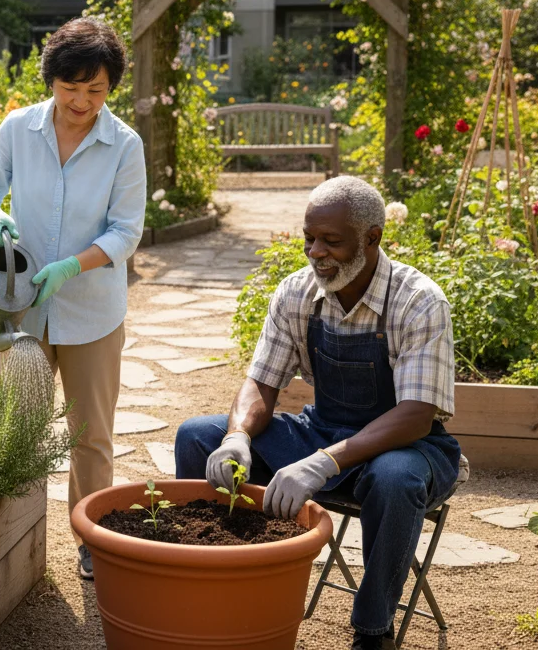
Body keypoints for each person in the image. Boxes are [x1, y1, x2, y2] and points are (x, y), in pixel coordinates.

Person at [174, 176, 462, 650]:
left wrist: (323, 462)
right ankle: (210, 592)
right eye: (309, 238)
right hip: (323, 429)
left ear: (372, 239)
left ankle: (373, 632)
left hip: (406, 447)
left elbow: (416, 415)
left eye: (331, 241)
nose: (315, 252)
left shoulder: (417, 301)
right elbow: (262, 382)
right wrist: (238, 437)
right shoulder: (297, 293)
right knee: (197, 436)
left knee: (395, 480)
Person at [0, 16, 146, 581]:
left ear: (110, 89)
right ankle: (15, 536)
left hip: (92, 312)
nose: (82, 101)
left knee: (91, 434)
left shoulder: (124, 144)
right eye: (72, 88)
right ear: (52, 80)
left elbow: (126, 231)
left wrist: (73, 265)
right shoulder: (20, 128)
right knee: (20, 424)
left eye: (96, 90)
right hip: (24, 309)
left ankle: (92, 537)